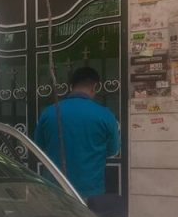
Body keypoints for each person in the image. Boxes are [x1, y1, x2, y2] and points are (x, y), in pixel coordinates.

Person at [34, 67, 120, 200]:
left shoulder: (49, 113)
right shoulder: (105, 115)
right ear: (95, 87)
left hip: (55, 189)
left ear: (71, 86)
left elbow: (39, 147)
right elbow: (113, 150)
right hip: (91, 192)